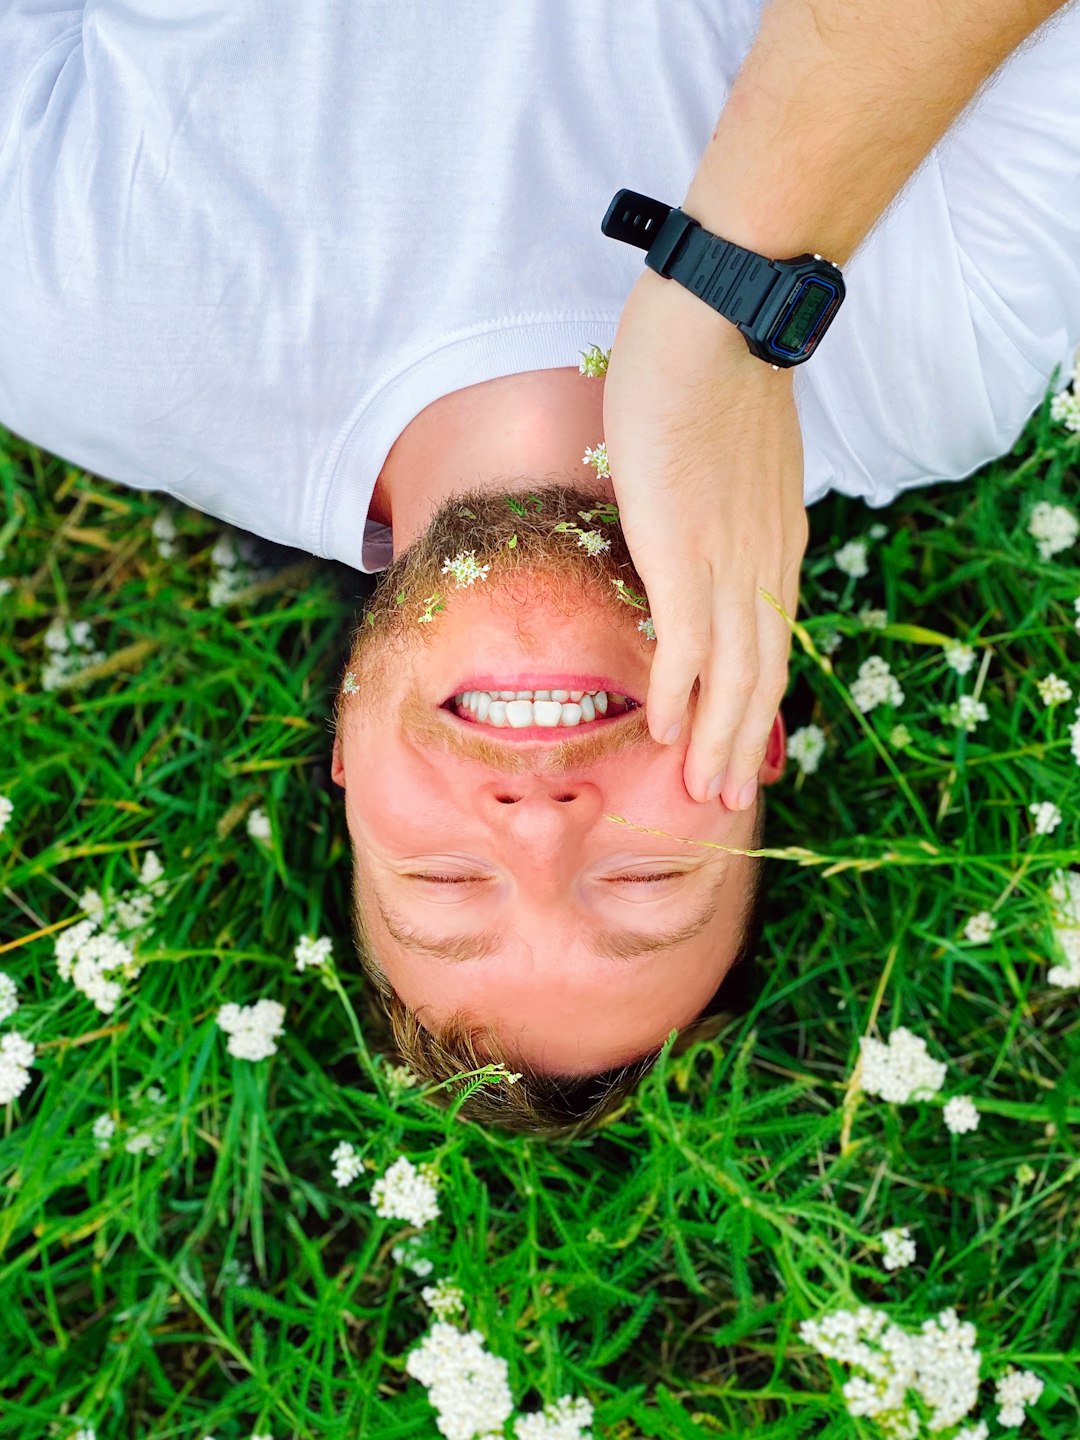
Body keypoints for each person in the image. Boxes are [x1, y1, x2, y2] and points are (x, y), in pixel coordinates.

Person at [2, 1, 1078, 1131]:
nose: (538, 823)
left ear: (349, 764)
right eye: (643, 880)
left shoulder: (78, 327)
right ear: (760, 741)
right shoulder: (940, 360)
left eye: (447, 883)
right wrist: (729, 307)